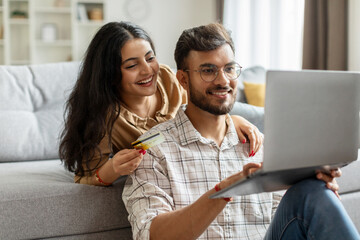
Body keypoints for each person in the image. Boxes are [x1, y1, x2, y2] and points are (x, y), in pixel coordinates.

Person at [122, 23, 360, 239]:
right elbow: (152, 235)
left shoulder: (260, 144)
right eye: (208, 70)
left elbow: (290, 222)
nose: (223, 80)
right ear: (183, 80)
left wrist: (314, 191)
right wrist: (224, 190)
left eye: (229, 68)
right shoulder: (153, 150)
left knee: (313, 191)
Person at [58, 21, 263, 186]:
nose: (148, 71)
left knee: (263, 125)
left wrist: (230, 119)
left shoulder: (166, 77)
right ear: (110, 74)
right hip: (169, 162)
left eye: (150, 58)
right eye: (132, 65)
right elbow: (85, 175)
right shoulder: (103, 116)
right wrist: (113, 169)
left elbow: (202, 106)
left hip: (215, 120)